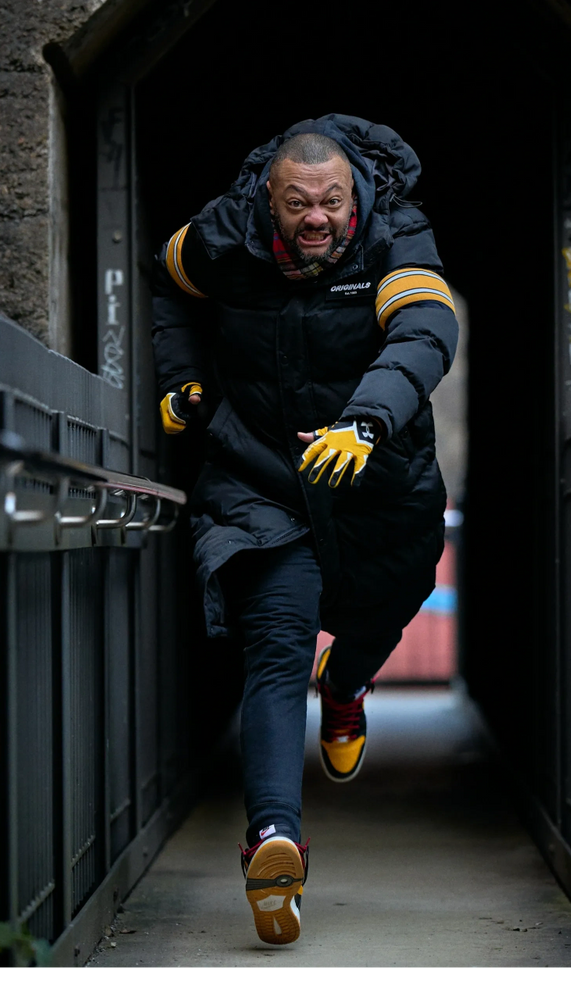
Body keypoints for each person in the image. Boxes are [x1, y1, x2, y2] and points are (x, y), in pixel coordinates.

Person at [151, 114, 458, 946]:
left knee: (389, 601)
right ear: (268, 201)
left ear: (354, 196)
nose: (316, 218)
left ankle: (348, 683)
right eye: (297, 204)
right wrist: (180, 379)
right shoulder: (225, 233)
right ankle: (275, 837)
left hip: (375, 474)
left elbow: (426, 328)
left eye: (331, 201)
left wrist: (365, 423)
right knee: (276, 641)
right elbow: (168, 282)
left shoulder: (396, 230)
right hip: (261, 480)